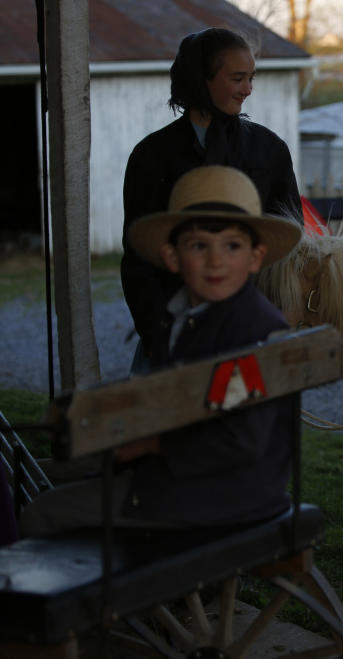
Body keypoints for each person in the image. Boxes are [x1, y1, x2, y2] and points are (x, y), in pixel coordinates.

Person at [21, 166, 303, 535]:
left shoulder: (250, 332)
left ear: (255, 257)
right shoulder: (184, 315)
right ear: (172, 257)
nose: (215, 260)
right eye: (199, 245)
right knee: (40, 474)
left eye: (232, 246)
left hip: (223, 496)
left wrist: (149, 444)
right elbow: (188, 403)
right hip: (199, 482)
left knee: (41, 512)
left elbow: (239, 439)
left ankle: (87, 588)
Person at [122, 27, 303, 367]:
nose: (248, 90)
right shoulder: (152, 156)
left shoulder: (269, 150)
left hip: (250, 327)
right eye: (237, 78)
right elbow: (138, 260)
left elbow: (288, 249)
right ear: (201, 79)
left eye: (251, 78)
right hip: (173, 333)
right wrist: (154, 334)